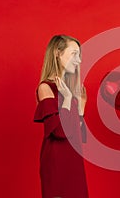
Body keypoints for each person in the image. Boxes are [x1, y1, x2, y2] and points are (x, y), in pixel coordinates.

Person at [34, 35, 89, 198]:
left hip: (74, 162)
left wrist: (80, 107)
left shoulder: (70, 90)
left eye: (79, 55)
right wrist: (66, 99)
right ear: (58, 53)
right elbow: (59, 132)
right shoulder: (46, 88)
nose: (78, 60)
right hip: (57, 163)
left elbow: (79, 136)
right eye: (74, 54)